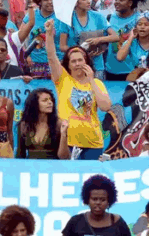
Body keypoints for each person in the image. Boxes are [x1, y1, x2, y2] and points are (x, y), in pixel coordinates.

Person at [45, 20, 111, 161]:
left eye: (80, 60)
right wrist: (49, 34)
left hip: (93, 142)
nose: (77, 64)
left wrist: (91, 80)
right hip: (68, 141)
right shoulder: (63, 79)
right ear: (68, 65)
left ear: (86, 61)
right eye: (73, 61)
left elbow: (105, 107)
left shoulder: (97, 83)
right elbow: (51, 56)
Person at [58, 175, 133, 236]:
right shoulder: (75, 222)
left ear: (109, 201)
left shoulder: (117, 222)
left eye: (102, 200)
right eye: (94, 199)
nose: (98, 203)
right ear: (87, 200)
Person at [57, 0, 113, 79]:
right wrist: (81, 51)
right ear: (76, 2)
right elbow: (62, 46)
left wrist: (98, 40)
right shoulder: (67, 19)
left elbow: (115, 36)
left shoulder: (98, 16)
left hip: (96, 66)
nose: (88, 1)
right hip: (75, 67)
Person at [16, 88, 70, 160]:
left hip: (52, 165)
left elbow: (64, 157)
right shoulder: (24, 125)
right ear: (34, 104)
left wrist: (63, 134)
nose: (50, 102)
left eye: (51, 100)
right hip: (31, 165)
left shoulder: (58, 125)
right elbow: (20, 154)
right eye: (45, 100)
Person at [105, 0, 144, 80]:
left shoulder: (139, 19)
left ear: (130, 3)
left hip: (132, 71)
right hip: (111, 70)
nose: (116, 2)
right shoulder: (110, 18)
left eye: (121, 0)